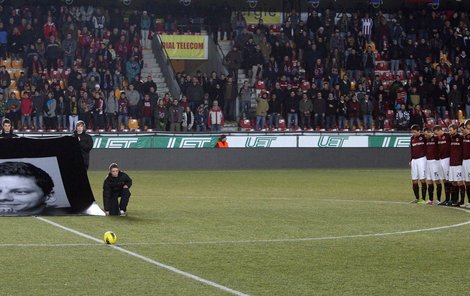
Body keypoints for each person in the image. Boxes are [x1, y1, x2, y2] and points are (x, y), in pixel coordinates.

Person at [423, 127, 442, 205]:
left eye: (426, 134)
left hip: (435, 162)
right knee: (429, 181)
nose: (425, 135)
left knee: (437, 180)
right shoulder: (426, 140)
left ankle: (438, 200)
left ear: (430, 132)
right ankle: (430, 199)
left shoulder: (436, 138)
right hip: (428, 162)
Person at [448, 124, 465, 206]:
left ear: (455, 129)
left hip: (459, 164)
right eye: (449, 130)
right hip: (451, 163)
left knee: (460, 182)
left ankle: (462, 201)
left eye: (451, 130)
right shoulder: (450, 138)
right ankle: (454, 200)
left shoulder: (461, 138)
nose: (449, 132)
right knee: (453, 182)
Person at [409, 124, 426, 204]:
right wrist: (411, 159)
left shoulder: (423, 137)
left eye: (415, 132)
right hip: (414, 160)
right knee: (414, 180)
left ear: (419, 131)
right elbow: (412, 150)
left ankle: (423, 198)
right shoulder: (412, 138)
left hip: (422, 159)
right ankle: (417, 198)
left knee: (422, 179)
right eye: (412, 132)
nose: (413, 134)